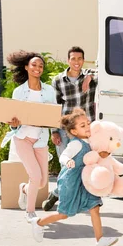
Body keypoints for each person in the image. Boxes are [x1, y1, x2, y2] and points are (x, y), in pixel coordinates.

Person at [31, 108, 118, 246]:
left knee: (94, 207)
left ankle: (100, 240)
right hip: (70, 181)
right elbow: (63, 156)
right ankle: (38, 223)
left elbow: (94, 155)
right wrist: (68, 162)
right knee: (64, 214)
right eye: (82, 126)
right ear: (74, 132)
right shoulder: (76, 144)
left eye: (88, 123)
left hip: (84, 181)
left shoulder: (91, 142)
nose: (87, 127)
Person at [0, 51, 57, 223]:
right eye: (34, 65)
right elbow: (13, 121)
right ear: (26, 67)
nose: (37, 68)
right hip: (23, 138)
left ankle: (24, 189)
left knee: (41, 183)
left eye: (40, 66)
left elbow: (53, 115)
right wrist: (14, 124)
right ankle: (30, 212)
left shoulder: (49, 91)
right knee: (35, 177)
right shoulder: (18, 92)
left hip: (40, 139)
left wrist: (52, 126)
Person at [43, 46, 97, 211]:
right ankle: (62, 196)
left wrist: (89, 77)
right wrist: (53, 131)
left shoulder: (90, 75)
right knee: (67, 166)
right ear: (68, 60)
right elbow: (55, 106)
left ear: (83, 60)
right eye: (73, 59)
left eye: (79, 59)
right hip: (64, 130)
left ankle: (57, 195)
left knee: (84, 166)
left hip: (84, 131)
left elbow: (108, 72)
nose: (76, 62)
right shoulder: (58, 80)